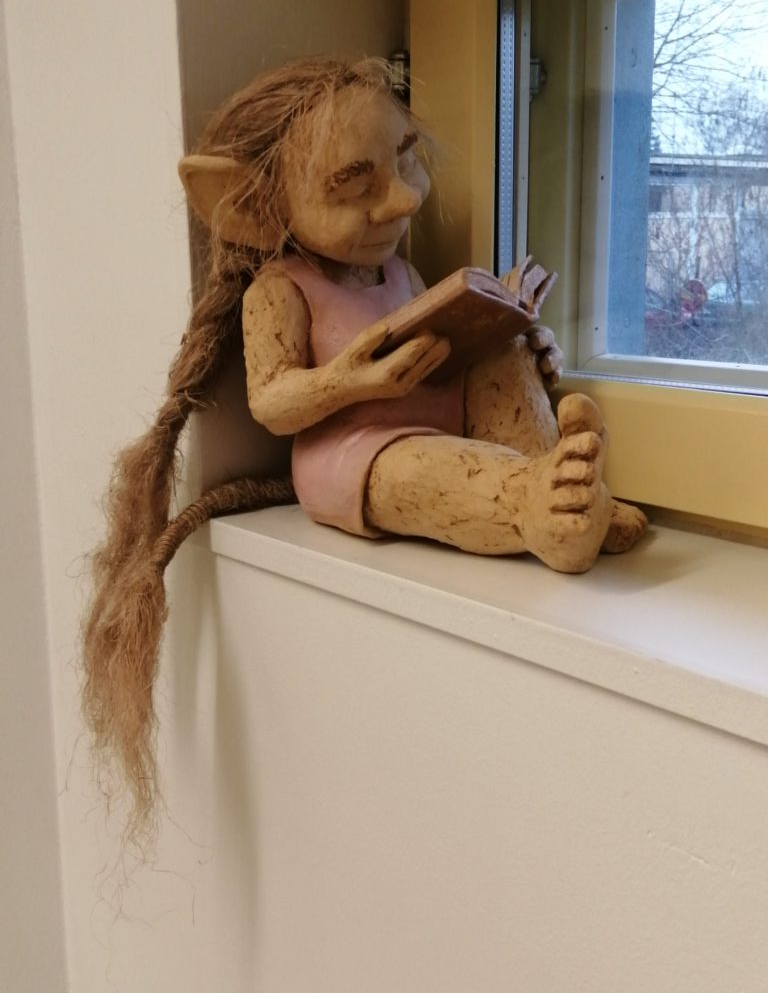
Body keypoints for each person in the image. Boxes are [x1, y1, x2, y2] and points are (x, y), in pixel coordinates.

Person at [83, 56, 646, 848]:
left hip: (434, 416)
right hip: (357, 454)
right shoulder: (280, 289)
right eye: (354, 185)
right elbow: (272, 399)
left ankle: (552, 479)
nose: (405, 198)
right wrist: (348, 380)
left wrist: (512, 335)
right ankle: (539, 511)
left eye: (406, 160)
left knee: (501, 353)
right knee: (422, 471)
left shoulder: (400, 270)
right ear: (257, 207)